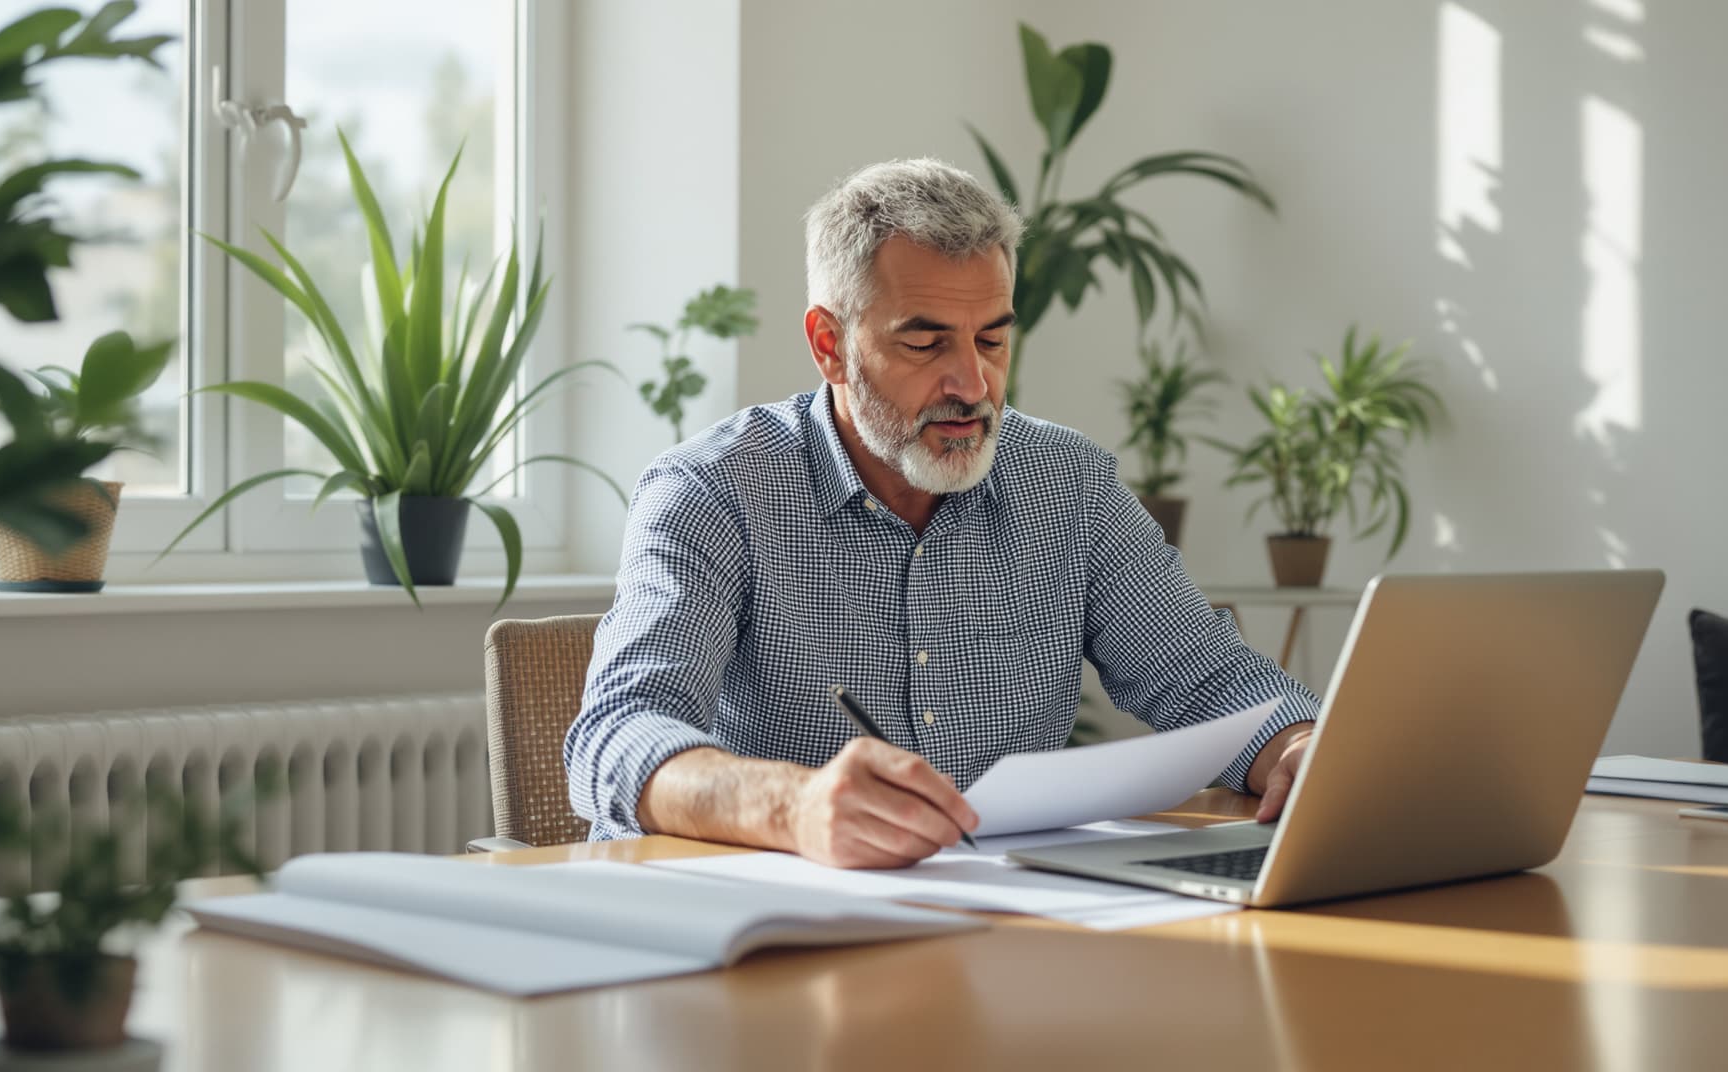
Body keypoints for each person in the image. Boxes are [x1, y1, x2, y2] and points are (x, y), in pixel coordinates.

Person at [564, 158, 1320, 869]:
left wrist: (1299, 743)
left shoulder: (1071, 484)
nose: (973, 381)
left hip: (1007, 923)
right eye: (926, 342)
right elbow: (617, 733)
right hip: (777, 933)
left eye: (993, 339)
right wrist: (792, 806)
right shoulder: (714, 490)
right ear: (830, 346)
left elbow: (1205, 676)